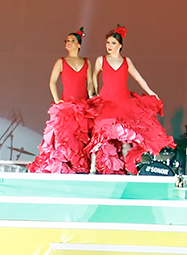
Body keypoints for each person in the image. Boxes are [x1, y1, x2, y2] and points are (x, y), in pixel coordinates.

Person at [86, 25, 176, 174]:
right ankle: (92, 169)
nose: (109, 46)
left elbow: (140, 79)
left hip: (124, 103)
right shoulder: (101, 60)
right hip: (106, 102)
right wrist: (93, 92)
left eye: (113, 43)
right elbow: (93, 77)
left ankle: (129, 171)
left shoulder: (126, 61)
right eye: (107, 42)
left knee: (125, 139)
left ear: (120, 45)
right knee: (100, 135)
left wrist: (151, 92)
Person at [27, 28, 94, 174]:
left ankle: (79, 168)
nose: (69, 43)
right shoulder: (61, 62)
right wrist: (58, 101)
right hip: (66, 106)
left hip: (82, 107)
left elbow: (89, 83)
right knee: (64, 138)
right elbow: (52, 82)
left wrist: (92, 98)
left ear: (79, 44)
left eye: (72, 41)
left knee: (80, 139)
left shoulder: (87, 62)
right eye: (68, 41)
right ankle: (64, 168)